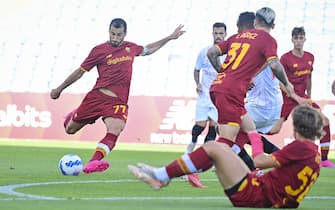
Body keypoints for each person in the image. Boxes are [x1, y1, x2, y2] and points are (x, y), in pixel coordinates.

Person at [50, 18, 185, 174]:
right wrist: (59, 89)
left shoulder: (131, 48)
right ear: (109, 31)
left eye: (118, 35)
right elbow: (80, 72)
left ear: (124, 34)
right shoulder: (98, 50)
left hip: (117, 102)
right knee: (70, 130)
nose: (115, 38)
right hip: (97, 97)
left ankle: (94, 161)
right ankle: (74, 113)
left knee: (116, 129)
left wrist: (169, 37)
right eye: (112, 34)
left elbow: (148, 49)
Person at [128, 104, 323, 208]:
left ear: (297, 127)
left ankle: (160, 176)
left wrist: (253, 134)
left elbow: (259, 161)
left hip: (255, 195)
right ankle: (161, 177)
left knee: (213, 148)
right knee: (218, 150)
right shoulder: (313, 152)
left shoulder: (300, 147)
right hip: (263, 193)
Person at [270, 27, 335, 168]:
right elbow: (279, 80)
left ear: (305, 39)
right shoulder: (286, 58)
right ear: (292, 40)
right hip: (288, 97)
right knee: (274, 129)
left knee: (324, 121)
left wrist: (309, 97)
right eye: (296, 38)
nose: (298, 41)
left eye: (301, 38)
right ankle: (249, 134)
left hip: (303, 97)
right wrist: (291, 94)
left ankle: (323, 159)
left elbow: (309, 77)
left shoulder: (310, 57)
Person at [184, 22, 227, 155]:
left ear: (225, 34)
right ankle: (192, 143)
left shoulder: (229, 53)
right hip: (204, 95)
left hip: (219, 96)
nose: (218, 36)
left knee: (214, 127)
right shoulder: (204, 52)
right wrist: (197, 83)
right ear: (212, 33)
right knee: (200, 125)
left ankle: (204, 155)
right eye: (216, 33)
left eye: (221, 33)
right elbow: (197, 69)